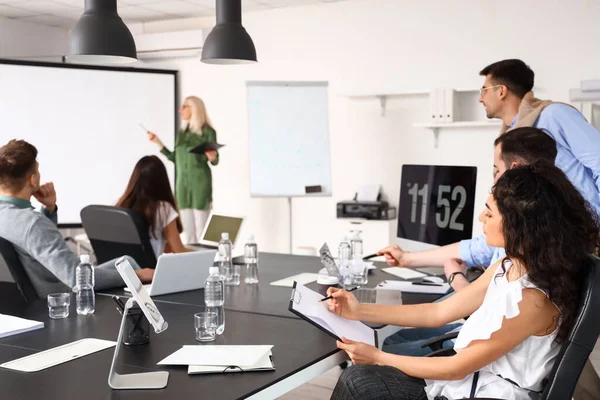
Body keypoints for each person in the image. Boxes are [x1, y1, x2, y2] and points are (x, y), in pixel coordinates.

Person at [329, 162, 599, 399]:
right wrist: (358, 310)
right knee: (359, 381)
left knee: (358, 381)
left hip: (490, 394)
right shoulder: (507, 266)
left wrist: (378, 358)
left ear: (520, 226)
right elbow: (437, 312)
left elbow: (457, 367)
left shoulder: (534, 301)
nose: (481, 218)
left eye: (490, 213)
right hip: (467, 386)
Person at [380, 126, 558, 357]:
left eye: (496, 169)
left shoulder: (525, 264)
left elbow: (481, 314)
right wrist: (407, 259)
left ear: (513, 169)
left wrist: (456, 278)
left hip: (480, 341)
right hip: (478, 325)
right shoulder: (529, 238)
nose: (481, 217)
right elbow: (475, 249)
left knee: (386, 352)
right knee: (395, 340)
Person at [0, 140, 155, 298]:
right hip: (63, 301)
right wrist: (138, 276)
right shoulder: (31, 223)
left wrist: (49, 209)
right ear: (32, 180)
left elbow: (37, 245)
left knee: (126, 262)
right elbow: (77, 278)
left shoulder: (10, 215)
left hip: (26, 304)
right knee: (133, 271)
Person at [478, 58, 600, 215]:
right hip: (553, 231)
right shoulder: (508, 138)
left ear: (501, 91)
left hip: (589, 228)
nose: (480, 98)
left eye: (484, 90)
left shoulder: (554, 114)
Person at [147, 96, 219, 245]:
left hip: (200, 184)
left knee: (202, 230)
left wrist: (212, 157)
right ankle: (193, 264)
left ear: (194, 109)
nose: (181, 110)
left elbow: (215, 160)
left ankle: (206, 264)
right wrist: (158, 143)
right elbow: (175, 158)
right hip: (182, 186)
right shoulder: (181, 134)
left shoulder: (208, 132)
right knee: (188, 233)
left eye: (185, 106)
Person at [116, 155, 191, 258]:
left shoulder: (122, 204)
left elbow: (167, 248)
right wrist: (212, 254)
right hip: (150, 272)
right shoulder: (163, 208)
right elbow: (178, 251)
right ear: (162, 181)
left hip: (126, 269)